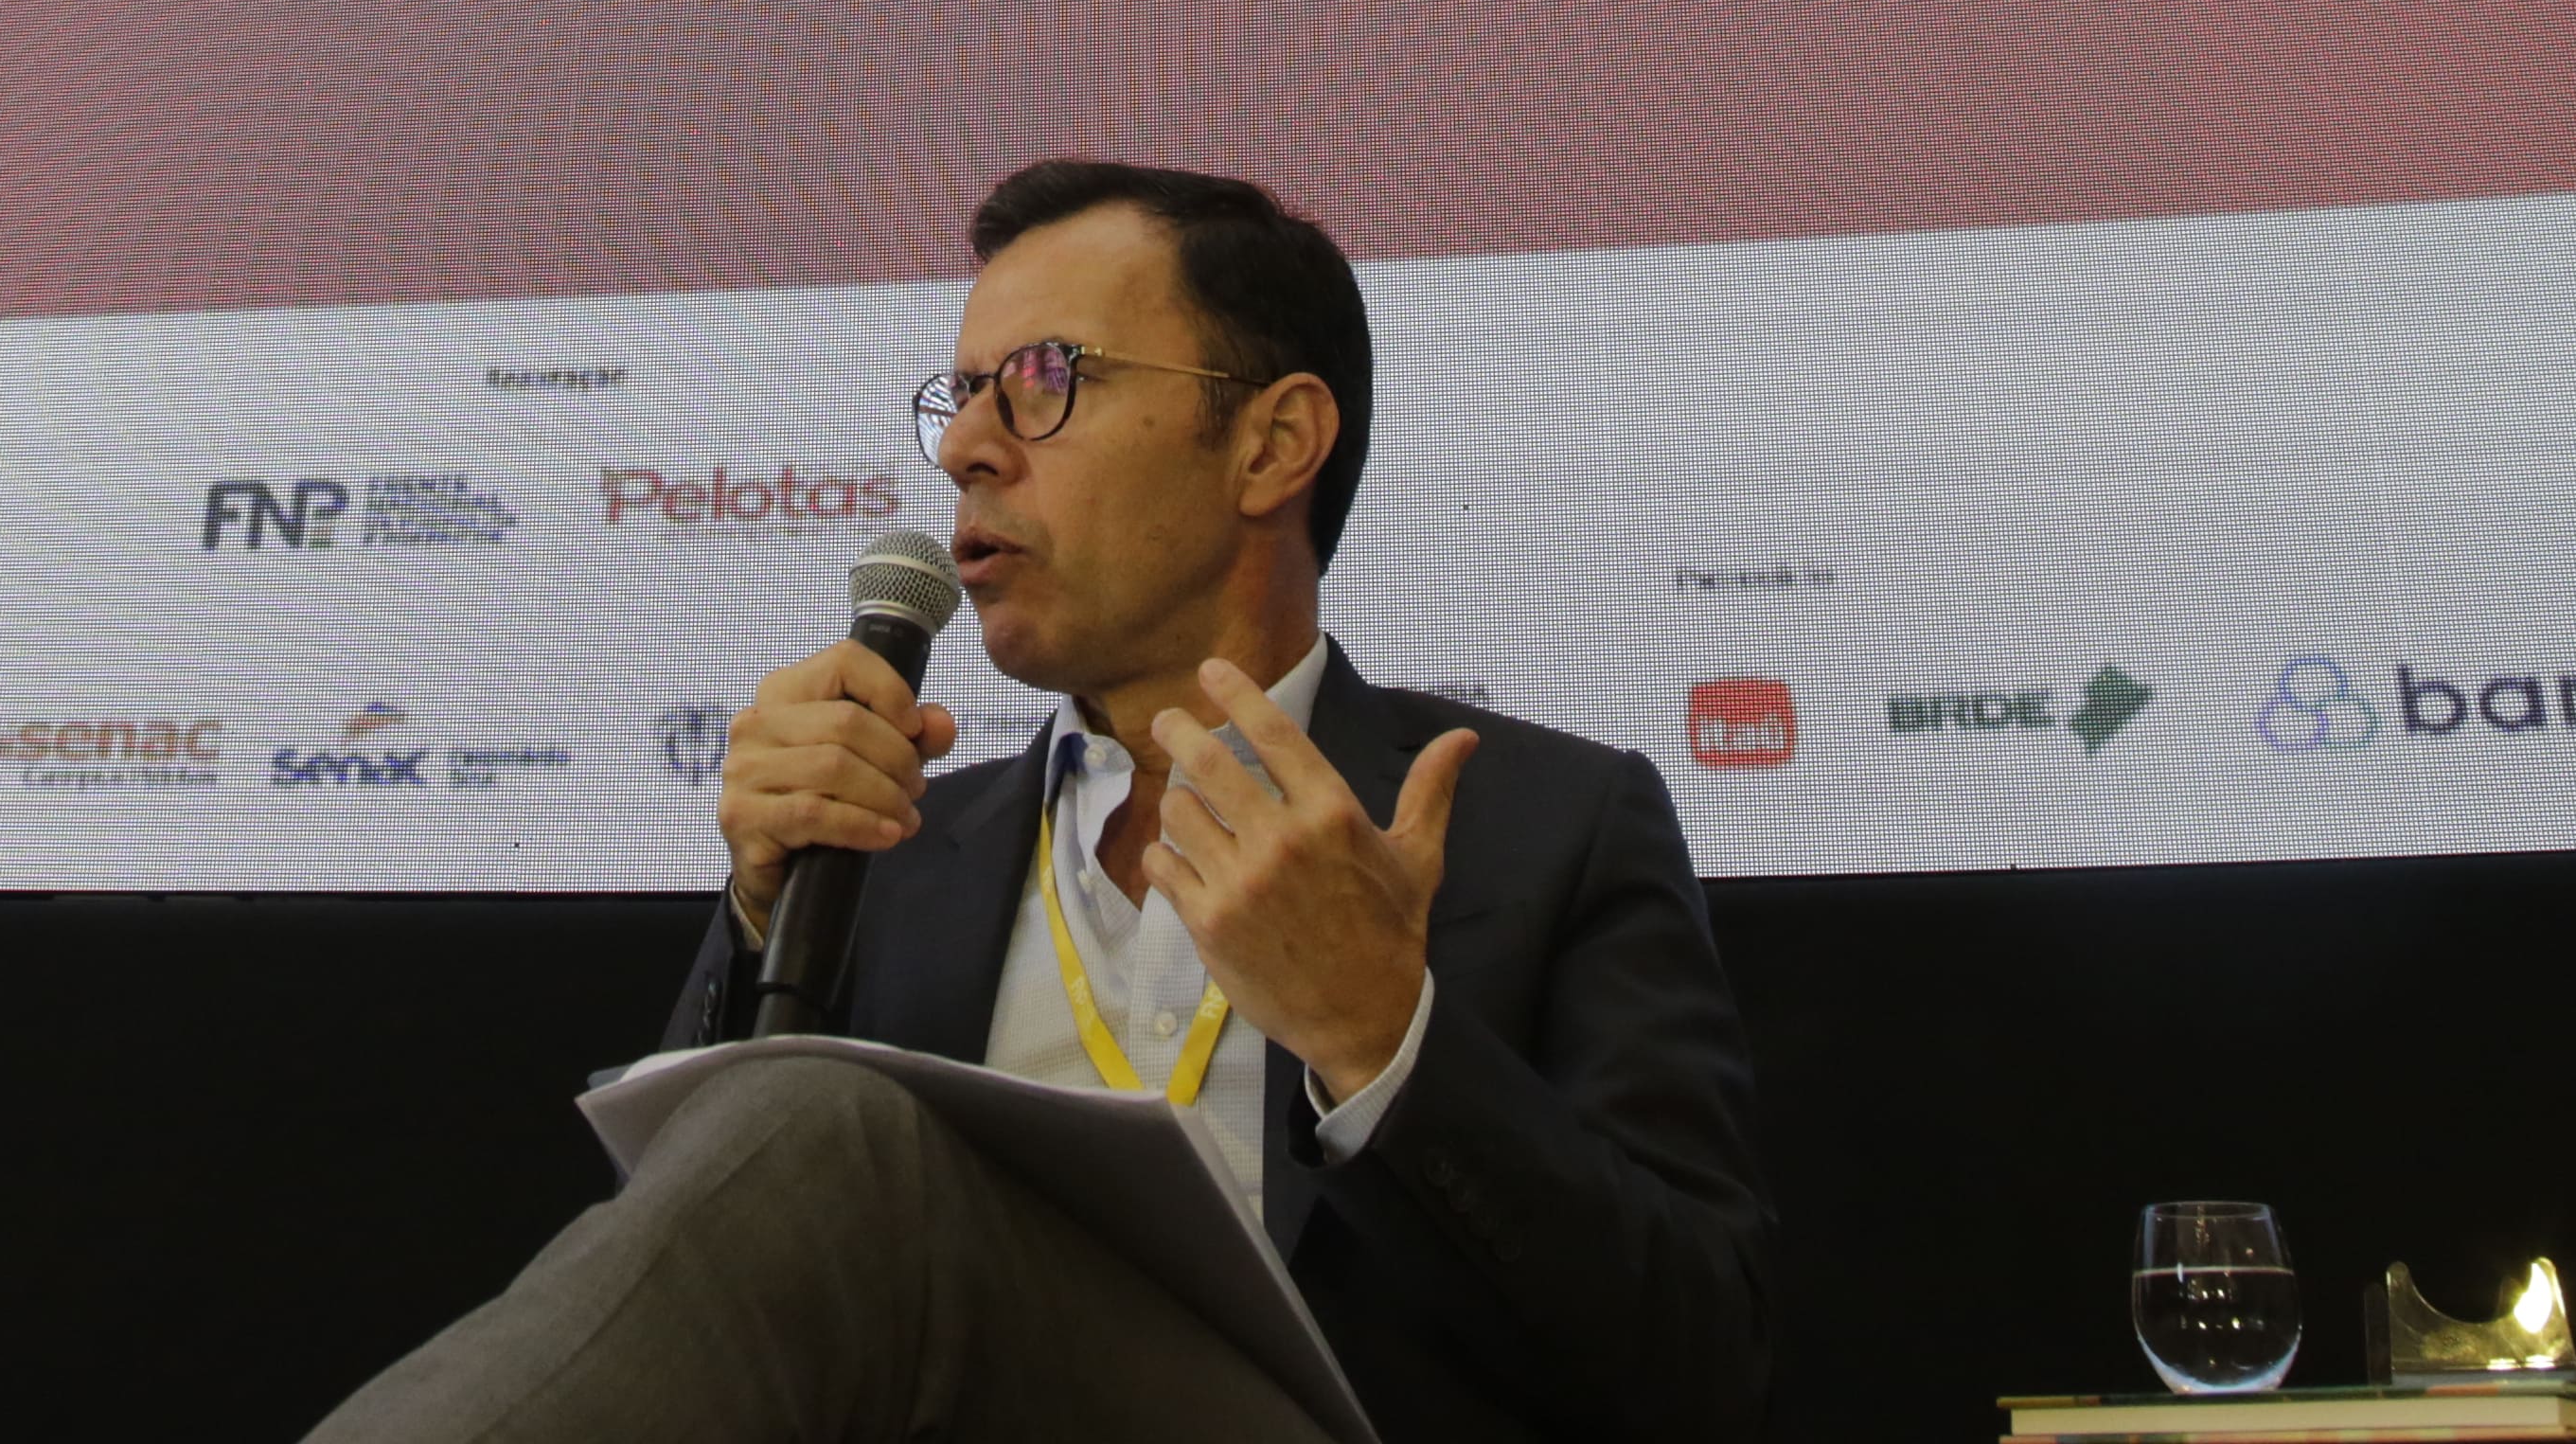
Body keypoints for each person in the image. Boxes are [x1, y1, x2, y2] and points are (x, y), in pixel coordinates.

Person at [311, 158, 1772, 1442]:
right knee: (809, 1143)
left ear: (1272, 444)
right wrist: (762, 913)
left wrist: (1382, 1040)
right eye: (960, 397)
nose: (966, 446)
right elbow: (697, 1306)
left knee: (840, 1137)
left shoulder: (1547, 826)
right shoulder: (887, 855)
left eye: (1044, 380)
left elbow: (1702, 1372)